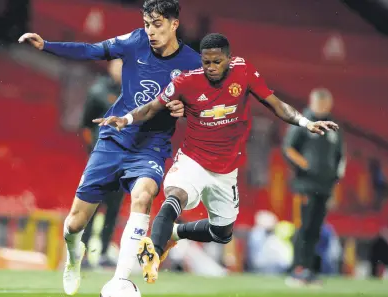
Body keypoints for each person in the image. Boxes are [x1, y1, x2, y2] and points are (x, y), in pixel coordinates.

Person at [94, 33, 339, 283]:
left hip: (225, 170)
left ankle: (174, 233)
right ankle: (153, 255)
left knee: (222, 233)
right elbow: (152, 107)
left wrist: (305, 122)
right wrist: (125, 119)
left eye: (217, 62)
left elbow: (275, 104)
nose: (211, 68)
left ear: (229, 59)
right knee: (175, 196)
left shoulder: (243, 72)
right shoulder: (186, 81)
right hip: (193, 159)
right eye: (206, 62)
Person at [18, 1, 200, 295]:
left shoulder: (192, 63)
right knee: (75, 224)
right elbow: (92, 50)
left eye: (157, 25)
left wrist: (185, 108)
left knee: (144, 195)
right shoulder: (135, 41)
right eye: (147, 24)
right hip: (113, 141)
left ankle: (120, 280)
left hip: (151, 146)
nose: (150, 32)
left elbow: (202, 105)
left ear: (174, 24)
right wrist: (46, 45)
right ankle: (74, 255)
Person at [283, 87, 346, 287]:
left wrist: (334, 184)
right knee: (304, 226)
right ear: (312, 103)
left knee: (316, 229)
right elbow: (288, 148)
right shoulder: (303, 123)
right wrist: (305, 165)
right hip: (305, 185)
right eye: (318, 103)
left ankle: (308, 270)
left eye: (324, 103)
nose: (321, 107)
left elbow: (339, 158)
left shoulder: (334, 127)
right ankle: (297, 270)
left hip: (325, 186)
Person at [80, 59, 124, 268]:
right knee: (92, 207)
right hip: (101, 159)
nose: (121, 71)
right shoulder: (98, 91)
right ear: (110, 68)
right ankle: (85, 254)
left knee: (114, 209)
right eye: (118, 66)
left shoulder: (133, 92)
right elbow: (86, 125)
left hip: (123, 160)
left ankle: (105, 253)